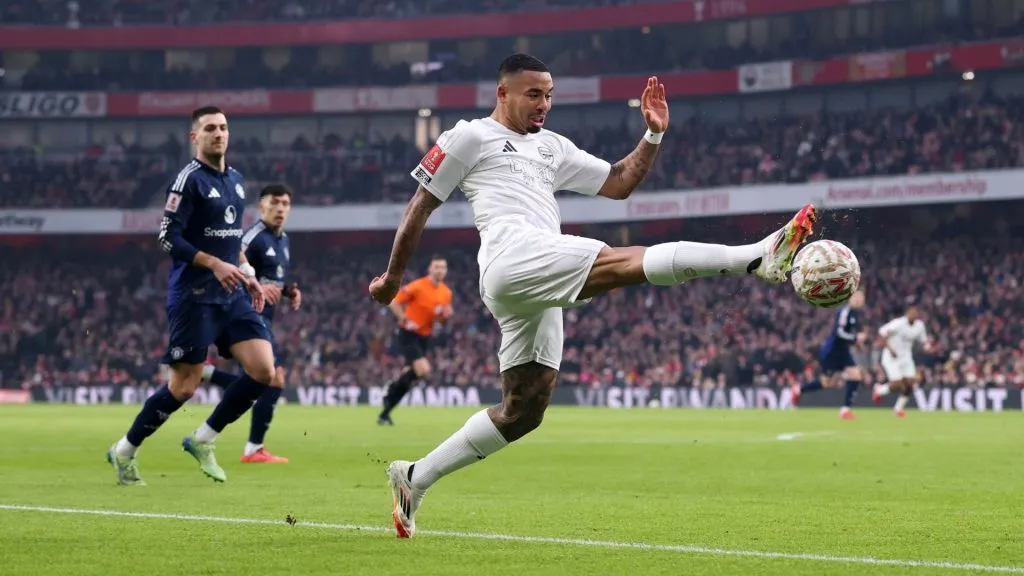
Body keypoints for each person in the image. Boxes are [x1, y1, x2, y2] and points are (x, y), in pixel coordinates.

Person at [368, 54, 816, 537]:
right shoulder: (469, 136)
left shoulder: (552, 147)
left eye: (549, 94)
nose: (544, 104)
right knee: (621, 262)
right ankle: (754, 257)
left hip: (535, 279)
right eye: (533, 94)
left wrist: (652, 136)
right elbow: (420, 206)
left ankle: (414, 477)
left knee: (523, 411)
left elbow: (619, 182)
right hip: (510, 256)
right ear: (502, 93)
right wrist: (393, 278)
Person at [106, 106, 275, 486]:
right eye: (210, 128)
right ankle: (124, 450)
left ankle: (203, 438)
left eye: (223, 127)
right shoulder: (188, 181)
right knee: (183, 387)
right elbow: (167, 237)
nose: (219, 133)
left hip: (231, 294)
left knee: (264, 370)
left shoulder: (236, 180)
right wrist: (214, 265)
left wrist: (248, 275)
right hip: (194, 296)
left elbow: (232, 241)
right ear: (194, 137)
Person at [199, 184, 301, 463]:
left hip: (264, 316)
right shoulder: (252, 237)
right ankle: (252, 448)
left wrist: (289, 291)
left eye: (285, 203)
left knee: (263, 378)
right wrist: (253, 286)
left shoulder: (283, 240)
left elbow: (272, 279)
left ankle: (208, 375)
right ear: (261, 206)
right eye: (274, 202)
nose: (280, 208)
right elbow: (230, 259)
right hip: (246, 313)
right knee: (272, 377)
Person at [377, 255, 453, 425]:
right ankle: (391, 388)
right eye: (437, 267)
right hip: (408, 334)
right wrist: (404, 319)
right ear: (430, 269)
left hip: (424, 337)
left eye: (443, 267)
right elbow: (393, 301)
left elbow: (441, 320)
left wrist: (445, 317)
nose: (440, 271)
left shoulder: (446, 293)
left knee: (412, 378)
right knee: (423, 370)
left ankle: (385, 412)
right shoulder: (418, 286)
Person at [790, 290, 866, 419]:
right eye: (856, 297)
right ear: (850, 298)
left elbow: (853, 335)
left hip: (843, 352)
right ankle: (798, 389)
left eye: (861, 298)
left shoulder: (856, 315)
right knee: (825, 383)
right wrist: (855, 338)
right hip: (832, 351)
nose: (858, 300)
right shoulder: (844, 312)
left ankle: (845, 410)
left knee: (856, 376)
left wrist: (858, 344)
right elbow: (839, 333)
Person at [873, 306, 932, 418]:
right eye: (911, 313)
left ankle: (898, 409)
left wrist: (928, 348)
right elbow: (882, 333)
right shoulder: (898, 323)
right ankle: (879, 390)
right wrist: (890, 349)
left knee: (910, 384)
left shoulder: (919, 326)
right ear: (907, 313)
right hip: (891, 357)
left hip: (906, 357)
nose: (913, 315)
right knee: (898, 384)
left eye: (915, 313)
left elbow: (924, 340)